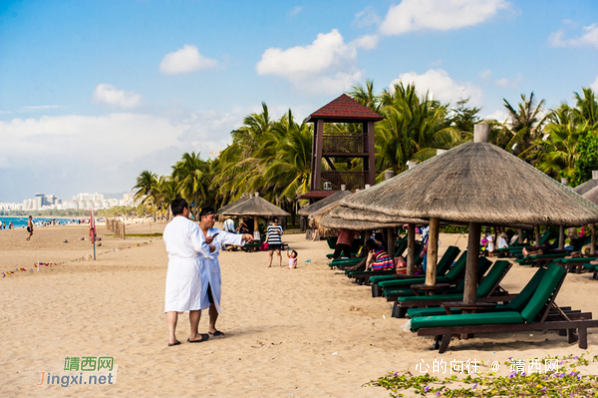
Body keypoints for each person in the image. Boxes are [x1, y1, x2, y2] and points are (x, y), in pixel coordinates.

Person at [162, 198, 214, 347]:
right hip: (190, 263)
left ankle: (172, 336)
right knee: (195, 300)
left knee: (171, 301)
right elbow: (199, 246)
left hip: (173, 265)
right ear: (185, 209)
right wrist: (208, 249)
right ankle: (194, 334)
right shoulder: (191, 225)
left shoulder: (168, 227)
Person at [198, 207, 252, 337]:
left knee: (214, 298)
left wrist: (244, 236)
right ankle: (194, 330)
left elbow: (230, 237)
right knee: (196, 299)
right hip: (198, 267)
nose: (214, 220)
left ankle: (212, 327)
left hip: (212, 267)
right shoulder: (194, 231)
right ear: (203, 217)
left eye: (214, 217)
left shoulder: (217, 232)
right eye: (212, 217)